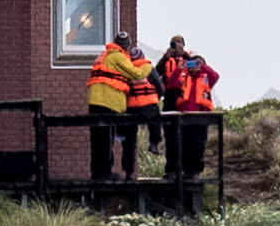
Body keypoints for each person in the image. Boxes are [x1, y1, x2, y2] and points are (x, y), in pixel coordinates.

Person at [83, 33, 155, 185]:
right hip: (108, 101)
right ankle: (104, 174)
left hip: (96, 100)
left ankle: (98, 173)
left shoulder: (105, 55)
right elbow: (137, 74)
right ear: (126, 46)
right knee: (105, 140)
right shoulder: (118, 57)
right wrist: (148, 64)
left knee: (98, 139)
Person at [152, 36, 220, 186]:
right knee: (182, 143)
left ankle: (193, 172)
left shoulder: (204, 76)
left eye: (180, 44)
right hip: (180, 111)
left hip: (200, 115)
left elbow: (215, 76)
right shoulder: (182, 75)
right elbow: (168, 81)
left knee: (198, 144)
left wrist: (200, 64)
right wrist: (179, 65)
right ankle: (177, 171)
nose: (193, 66)